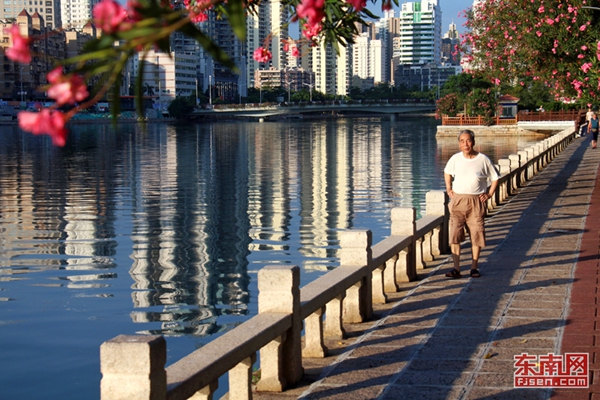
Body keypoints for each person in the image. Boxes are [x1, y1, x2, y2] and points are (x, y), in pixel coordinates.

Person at [444, 130, 500, 278]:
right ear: (459, 143)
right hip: (458, 201)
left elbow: (495, 178)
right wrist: (449, 188)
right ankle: (456, 268)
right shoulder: (455, 159)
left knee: (476, 234)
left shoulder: (483, 159)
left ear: (473, 142)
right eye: (462, 141)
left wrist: (489, 194)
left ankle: (474, 267)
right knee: (455, 235)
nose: (465, 144)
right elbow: (447, 172)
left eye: (468, 140)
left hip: (476, 201)